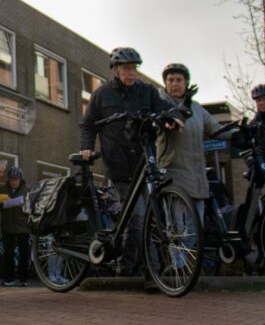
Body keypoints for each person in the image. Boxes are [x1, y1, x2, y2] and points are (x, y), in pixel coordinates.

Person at [79, 47, 184, 285]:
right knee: (139, 218)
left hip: (144, 162)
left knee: (139, 219)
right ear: (115, 70)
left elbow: (165, 107)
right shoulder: (102, 94)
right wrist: (86, 147)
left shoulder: (146, 91)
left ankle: (125, 268)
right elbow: (87, 125)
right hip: (118, 166)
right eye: (126, 69)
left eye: (134, 69)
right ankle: (152, 273)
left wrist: (175, 116)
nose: (131, 73)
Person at [157, 63, 221, 214]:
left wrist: (238, 133)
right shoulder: (160, 103)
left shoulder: (197, 108)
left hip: (196, 176)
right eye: (170, 80)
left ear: (186, 83)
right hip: (173, 176)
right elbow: (167, 122)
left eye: (179, 80)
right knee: (180, 230)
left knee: (198, 229)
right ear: (165, 83)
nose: (175, 84)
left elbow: (216, 129)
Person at [0, 166, 31, 287]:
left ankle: (24, 279)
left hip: (23, 227)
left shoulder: (27, 191)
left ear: (20, 179)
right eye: (12, 179)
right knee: (8, 254)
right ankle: (9, 278)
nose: (14, 182)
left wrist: (21, 205)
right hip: (7, 226)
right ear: (8, 179)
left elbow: (30, 207)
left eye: (16, 179)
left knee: (24, 254)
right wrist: (6, 204)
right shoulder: (2, 188)